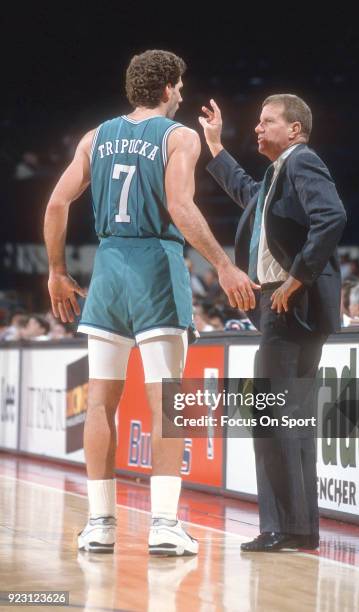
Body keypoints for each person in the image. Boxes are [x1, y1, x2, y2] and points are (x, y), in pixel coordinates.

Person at [44, 50, 258, 557]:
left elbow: (56, 202)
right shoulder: (179, 137)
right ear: (167, 88)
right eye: (180, 86)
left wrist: (56, 270)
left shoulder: (95, 137)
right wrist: (224, 266)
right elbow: (180, 207)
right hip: (156, 265)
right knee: (168, 404)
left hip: (108, 268)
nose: (182, 94)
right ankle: (164, 525)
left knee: (99, 402)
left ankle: (100, 524)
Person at [200, 94, 346, 552]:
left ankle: (279, 526)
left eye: (267, 122)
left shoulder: (301, 162)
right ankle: (300, 528)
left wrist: (295, 280)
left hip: (288, 306)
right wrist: (215, 147)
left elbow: (332, 217)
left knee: (267, 415)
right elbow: (247, 193)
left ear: (295, 130)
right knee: (294, 420)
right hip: (291, 308)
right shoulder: (277, 172)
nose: (258, 129)